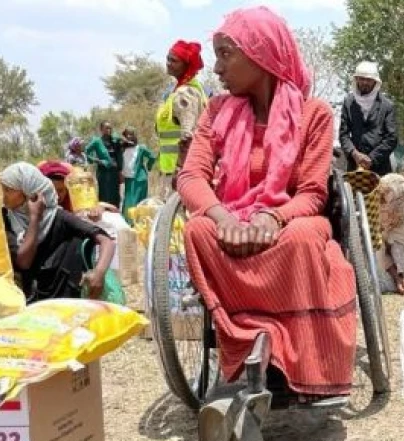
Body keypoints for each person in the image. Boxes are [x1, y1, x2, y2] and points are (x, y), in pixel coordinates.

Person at [179, 6, 357, 403]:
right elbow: (191, 177)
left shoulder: (314, 115)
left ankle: (298, 363)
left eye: (226, 54)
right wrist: (222, 217)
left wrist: (272, 216)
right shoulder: (216, 111)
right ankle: (246, 337)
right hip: (232, 224)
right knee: (197, 230)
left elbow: (313, 193)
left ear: (261, 54)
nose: (217, 69)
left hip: (290, 219)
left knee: (301, 238)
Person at [0, 163, 115, 302]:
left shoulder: (59, 217)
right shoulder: (6, 219)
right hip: (28, 302)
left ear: (29, 193)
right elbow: (24, 262)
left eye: (8, 190)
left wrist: (99, 273)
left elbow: (105, 240)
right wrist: (35, 218)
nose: (3, 195)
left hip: (64, 300)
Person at [157, 39, 208, 196]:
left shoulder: (185, 93)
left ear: (186, 66)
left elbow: (188, 136)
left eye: (174, 60)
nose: (168, 63)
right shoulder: (181, 90)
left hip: (179, 171)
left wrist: (181, 171)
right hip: (172, 168)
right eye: (168, 58)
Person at [339, 61, 398, 175]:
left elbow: (392, 138)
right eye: (361, 79)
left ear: (375, 82)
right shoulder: (348, 103)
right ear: (356, 80)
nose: (365, 82)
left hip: (381, 167)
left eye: (369, 80)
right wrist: (355, 154)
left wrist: (371, 158)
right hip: (355, 167)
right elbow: (343, 135)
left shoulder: (387, 106)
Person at [85, 121, 123, 206]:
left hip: (114, 173)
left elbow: (119, 156)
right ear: (101, 129)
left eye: (110, 128)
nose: (109, 130)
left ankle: (115, 215)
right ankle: (104, 215)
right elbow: (85, 151)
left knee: (115, 194)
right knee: (104, 194)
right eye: (107, 128)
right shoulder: (97, 141)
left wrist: (120, 171)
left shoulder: (114, 141)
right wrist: (98, 161)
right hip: (103, 172)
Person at [120, 127, 156, 216]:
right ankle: (128, 222)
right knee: (128, 201)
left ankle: (134, 222)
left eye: (131, 134)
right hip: (128, 179)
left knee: (135, 201)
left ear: (134, 136)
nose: (129, 136)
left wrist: (149, 166)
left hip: (139, 179)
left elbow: (152, 156)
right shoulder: (123, 148)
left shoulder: (140, 148)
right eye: (127, 134)